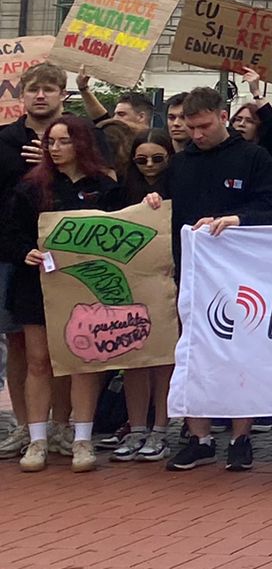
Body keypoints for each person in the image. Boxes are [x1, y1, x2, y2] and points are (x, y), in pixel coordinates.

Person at [155, 86, 272, 472]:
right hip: (190, 274)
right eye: (190, 128)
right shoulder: (179, 164)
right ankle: (200, 436)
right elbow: (160, 206)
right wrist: (151, 202)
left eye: (204, 126)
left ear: (223, 117)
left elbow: (271, 209)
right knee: (191, 353)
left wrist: (237, 220)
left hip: (240, 277)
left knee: (240, 352)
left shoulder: (254, 157)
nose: (196, 135)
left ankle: (240, 436)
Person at [5, 116, 120, 472]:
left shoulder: (104, 185)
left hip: (86, 286)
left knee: (83, 361)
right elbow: (9, 233)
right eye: (50, 142)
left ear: (81, 144)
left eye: (63, 141)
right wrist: (26, 251)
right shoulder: (30, 187)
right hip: (37, 286)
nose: (55, 149)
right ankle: (37, 440)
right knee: (38, 361)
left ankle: (82, 439)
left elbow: (122, 226)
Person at [0, 61, 70, 462]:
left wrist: (52, 160)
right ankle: (25, 427)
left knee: (62, 345)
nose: (40, 95)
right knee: (19, 342)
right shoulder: (5, 140)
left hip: (64, 257)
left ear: (63, 95)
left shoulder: (76, 137)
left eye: (49, 88)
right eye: (33, 89)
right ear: (22, 96)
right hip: (12, 255)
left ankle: (60, 426)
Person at [107, 129, 175, 461]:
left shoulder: (181, 186)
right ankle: (136, 428)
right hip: (129, 285)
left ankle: (161, 428)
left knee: (163, 359)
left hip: (167, 282)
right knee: (133, 358)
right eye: (142, 159)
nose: (149, 165)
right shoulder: (121, 190)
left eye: (158, 158)